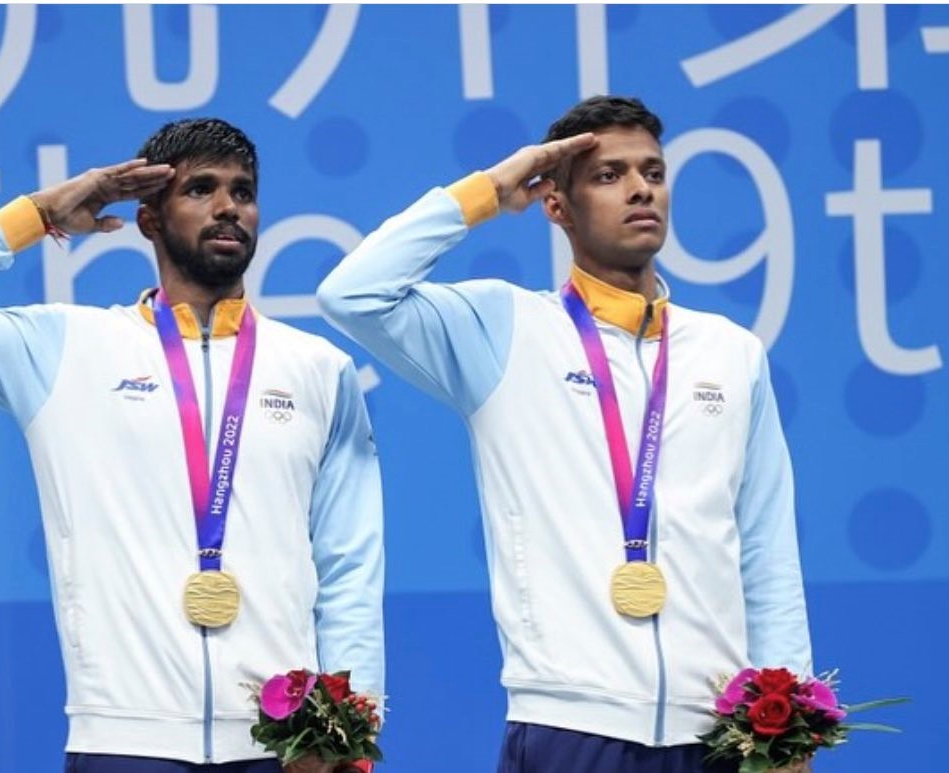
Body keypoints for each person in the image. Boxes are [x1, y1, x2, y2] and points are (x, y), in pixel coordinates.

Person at [0, 118, 384, 773]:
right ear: (148, 219)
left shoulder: (318, 369)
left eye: (243, 191)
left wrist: (345, 732)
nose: (228, 206)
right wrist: (39, 214)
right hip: (125, 738)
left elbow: (349, 562)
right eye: (200, 188)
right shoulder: (64, 349)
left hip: (280, 745)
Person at [317, 96, 811, 772]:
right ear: (556, 205)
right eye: (609, 175)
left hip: (720, 734)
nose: (640, 189)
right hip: (570, 727)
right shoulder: (502, 330)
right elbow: (352, 293)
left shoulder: (731, 352)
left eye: (653, 172)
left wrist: (790, 724)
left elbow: (765, 547)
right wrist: (489, 192)